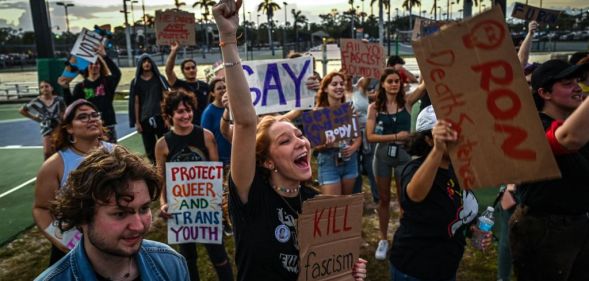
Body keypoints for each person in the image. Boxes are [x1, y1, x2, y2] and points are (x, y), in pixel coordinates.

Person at [212, 1, 367, 280]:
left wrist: (347, 272)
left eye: (299, 135)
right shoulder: (251, 196)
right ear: (267, 160)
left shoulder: (317, 203)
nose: (301, 142)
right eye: (284, 141)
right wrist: (228, 39)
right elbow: (246, 123)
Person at [35, 146, 189, 280]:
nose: (138, 226)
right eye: (120, 214)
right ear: (83, 217)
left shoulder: (172, 264)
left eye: (143, 209)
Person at [389, 105, 491, 281]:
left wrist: (472, 230)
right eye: (449, 135)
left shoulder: (456, 170)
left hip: (445, 268)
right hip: (414, 269)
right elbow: (414, 196)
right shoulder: (415, 169)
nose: (459, 139)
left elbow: (454, 213)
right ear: (429, 140)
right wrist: (438, 149)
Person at [510, 59, 589, 281]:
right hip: (544, 229)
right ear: (544, 93)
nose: (577, 87)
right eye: (567, 83)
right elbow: (568, 138)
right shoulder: (533, 127)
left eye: (578, 81)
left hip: (578, 223)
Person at [156, 89, 234, 281]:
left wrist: (220, 199)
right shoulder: (163, 144)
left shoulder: (205, 136)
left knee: (218, 254)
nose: (186, 115)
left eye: (188, 110)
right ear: (170, 116)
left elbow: (215, 171)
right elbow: (162, 180)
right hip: (180, 208)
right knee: (187, 257)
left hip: (207, 206)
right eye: (180, 111)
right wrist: (163, 203)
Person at [32, 99, 114, 267]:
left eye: (94, 115)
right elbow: (41, 209)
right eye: (82, 117)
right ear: (69, 128)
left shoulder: (116, 153)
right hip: (74, 246)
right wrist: (64, 242)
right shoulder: (55, 165)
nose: (91, 119)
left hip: (112, 237)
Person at [366, 68, 423, 260]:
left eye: (397, 81)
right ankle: (383, 239)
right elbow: (370, 136)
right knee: (383, 199)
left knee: (403, 199)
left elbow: (424, 85)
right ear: (382, 83)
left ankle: (403, 236)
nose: (393, 84)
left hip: (404, 156)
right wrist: (396, 136)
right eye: (389, 81)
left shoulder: (407, 101)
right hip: (382, 155)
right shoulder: (374, 107)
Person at [313, 72, 362, 195]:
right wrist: (325, 145)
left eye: (341, 84)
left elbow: (358, 138)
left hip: (349, 160)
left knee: (346, 203)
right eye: (334, 84)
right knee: (333, 205)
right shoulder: (317, 113)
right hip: (328, 161)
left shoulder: (350, 109)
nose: (339, 86)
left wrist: (353, 148)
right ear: (325, 89)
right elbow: (314, 145)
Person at [71, 44, 121, 143]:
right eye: (91, 64)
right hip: (89, 125)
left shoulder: (107, 82)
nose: (94, 66)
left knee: (111, 154)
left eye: (97, 63)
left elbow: (117, 74)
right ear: (87, 67)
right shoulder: (80, 87)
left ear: (100, 66)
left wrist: (105, 56)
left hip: (107, 124)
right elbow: (72, 106)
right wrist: (64, 88)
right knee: (93, 155)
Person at [129, 54, 170, 163]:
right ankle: (155, 172)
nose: (146, 64)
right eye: (144, 62)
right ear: (140, 65)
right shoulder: (136, 81)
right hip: (145, 119)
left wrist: (167, 117)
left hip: (160, 117)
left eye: (148, 61)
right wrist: (137, 122)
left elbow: (166, 97)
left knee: (166, 145)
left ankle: (167, 171)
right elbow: (136, 102)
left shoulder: (160, 78)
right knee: (150, 149)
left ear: (152, 63)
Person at [165, 41, 210, 125]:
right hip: (186, 125)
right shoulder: (179, 85)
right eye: (187, 68)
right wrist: (174, 51)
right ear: (183, 71)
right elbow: (168, 70)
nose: (191, 70)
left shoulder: (205, 86)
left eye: (193, 67)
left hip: (204, 124)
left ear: (196, 69)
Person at [19, 80, 66, 159]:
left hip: (58, 127)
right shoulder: (36, 101)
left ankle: (60, 169)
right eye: (42, 87)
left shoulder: (59, 100)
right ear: (40, 90)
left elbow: (64, 112)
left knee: (59, 151)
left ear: (52, 88)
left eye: (46, 86)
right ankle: (48, 169)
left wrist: (64, 125)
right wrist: (34, 118)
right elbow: (22, 110)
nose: (44, 88)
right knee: (47, 153)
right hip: (45, 129)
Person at [351, 77, 379, 201]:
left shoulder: (359, 88)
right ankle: (357, 198)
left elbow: (368, 74)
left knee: (371, 165)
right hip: (349, 136)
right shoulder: (338, 92)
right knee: (354, 167)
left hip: (366, 132)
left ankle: (378, 196)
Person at [201, 77, 232, 165]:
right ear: (212, 93)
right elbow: (205, 140)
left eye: (224, 87)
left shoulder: (233, 108)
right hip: (220, 161)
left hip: (235, 157)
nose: (223, 90)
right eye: (219, 88)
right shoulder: (208, 113)